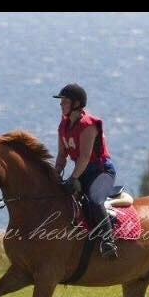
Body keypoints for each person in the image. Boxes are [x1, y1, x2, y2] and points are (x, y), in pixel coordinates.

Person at [54, 84, 119, 259]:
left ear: (76, 103)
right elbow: (61, 155)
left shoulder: (88, 125)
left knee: (94, 200)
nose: (61, 105)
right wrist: (55, 174)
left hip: (101, 171)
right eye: (61, 102)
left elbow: (84, 157)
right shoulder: (63, 126)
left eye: (65, 101)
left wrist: (73, 178)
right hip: (81, 171)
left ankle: (108, 241)